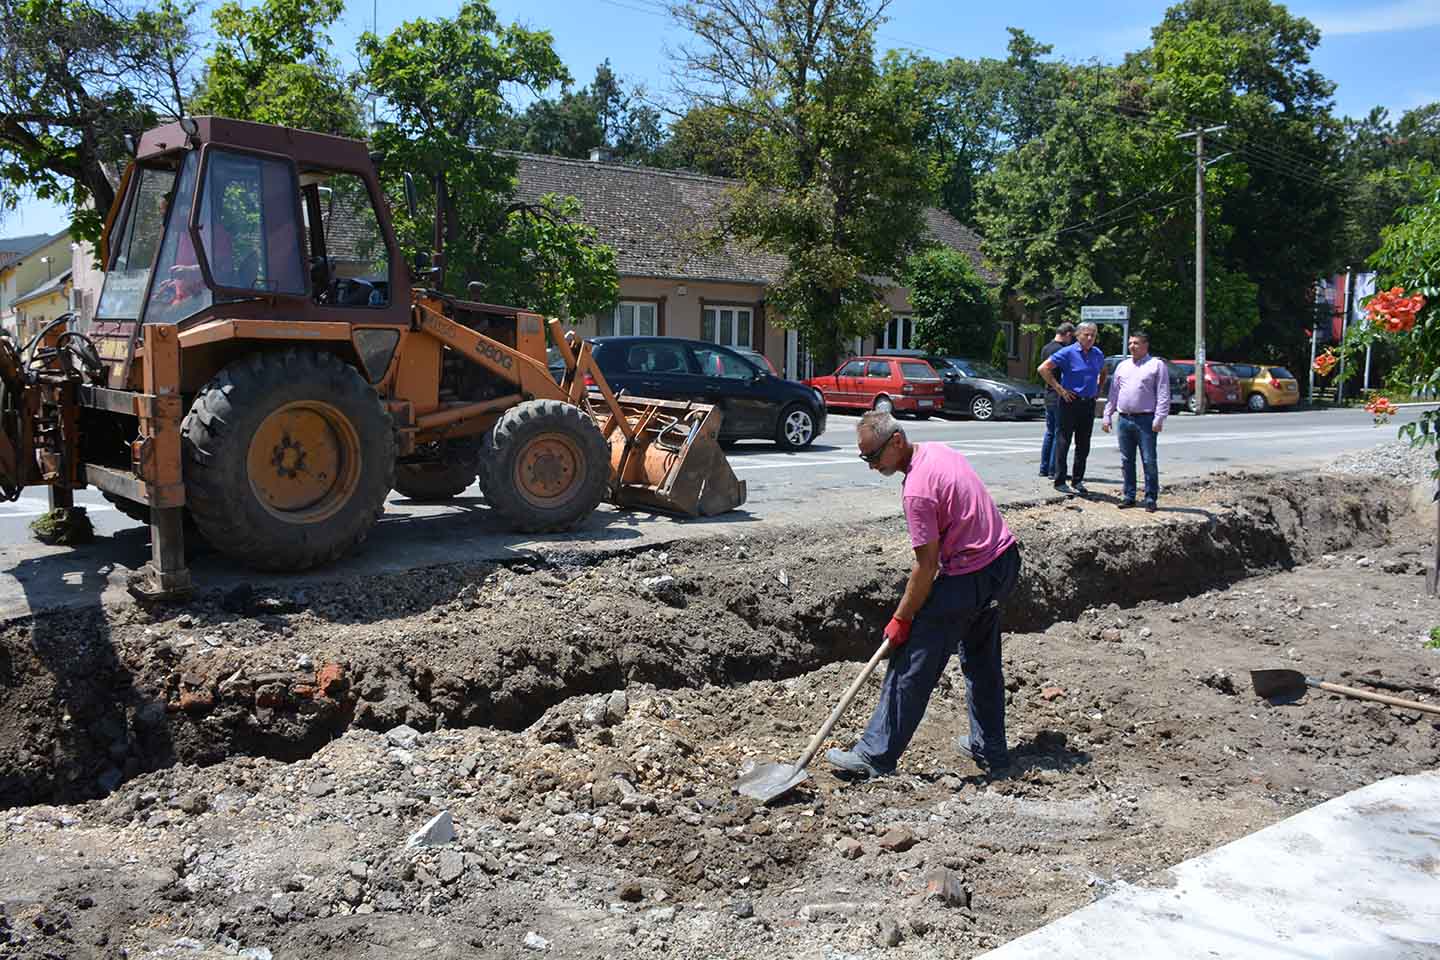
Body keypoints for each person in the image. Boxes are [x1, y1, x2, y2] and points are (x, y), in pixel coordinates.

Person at [825, 411, 1022, 779]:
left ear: (896, 441)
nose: (870, 466)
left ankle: (875, 756)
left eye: (873, 456)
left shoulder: (916, 490)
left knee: (912, 661)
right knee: (981, 657)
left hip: (970, 574)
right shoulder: (940, 451)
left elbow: (926, 567)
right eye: (864, 458)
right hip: (1004, 562)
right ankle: (991, 747)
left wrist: (902, 618)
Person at [1102, 331, 1169, 512]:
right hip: (1124, 418)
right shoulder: (1122, 366)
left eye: (1136, 343)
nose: (1132, 346)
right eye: (1130, 343)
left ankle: (1150, 498)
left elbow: (1163, 394)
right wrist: (1107, 415)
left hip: (1146, 419)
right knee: (1126, 460)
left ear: (1145, 345)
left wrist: (1159, 417)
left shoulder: (1156, 365)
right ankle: (1129, 496)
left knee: (1148, 460)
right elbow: (1114, 393)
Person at [1038, 321, 1104, 497]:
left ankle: (1078, 479)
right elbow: (1043, 368)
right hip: (1069, 402)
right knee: (1063, 441)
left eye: (1093, 335)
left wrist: (1099, 388)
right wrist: (1059, 389)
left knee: (1084, 444)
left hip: (1088, 403)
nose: (1090, 338)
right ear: (1078, 335)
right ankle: (1060, 480)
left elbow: (1103, 371)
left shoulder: (1097, 354)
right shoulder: (1068, 352)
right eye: (1086, 334)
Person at [1038, 322, 1075, 478]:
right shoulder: (1062, 351)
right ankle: (1054, 470)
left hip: (1049, 394)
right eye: (1071, 337)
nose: (1071, 340)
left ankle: (1044, 468)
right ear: (1067, 334)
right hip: (1059, 394)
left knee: (1050, 432)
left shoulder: (1046, 348)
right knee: (1059, 433)